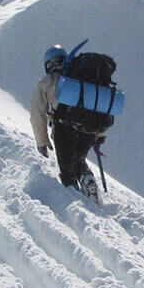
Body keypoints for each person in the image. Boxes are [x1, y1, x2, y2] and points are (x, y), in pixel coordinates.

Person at [30, 44, 100, 201]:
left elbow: (37, 113)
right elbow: (95, 105)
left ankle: (76, 201)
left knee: (67, 168)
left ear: (48, 64)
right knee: (79, 159)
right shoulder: (80, 79)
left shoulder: (46, 82)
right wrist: (98, 134)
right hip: (87, 129)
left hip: (63, 129)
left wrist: (42, 140)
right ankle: (87, 179)